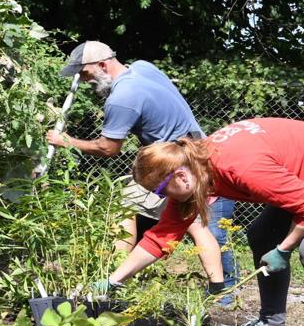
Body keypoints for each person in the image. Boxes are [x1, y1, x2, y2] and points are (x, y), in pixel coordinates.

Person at [104, 118, 304, 326]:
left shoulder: (239, 166)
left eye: (159, 191)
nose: (161, 198)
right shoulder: (194, 168)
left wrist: (285, 248)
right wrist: (114, 280)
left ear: (179, 177)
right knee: (262, 235)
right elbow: (162, 237)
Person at [42, 41, 240, 299]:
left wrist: (65, 141)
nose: (83, 79)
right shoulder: (143, 68)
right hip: (197, 150)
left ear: (102, 65)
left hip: (175, 166)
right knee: (176, 219)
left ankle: (115, 281)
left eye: (84, 72)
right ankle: (117, 279)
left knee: (184, 223)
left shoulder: (122, 98)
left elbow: (107, 148)